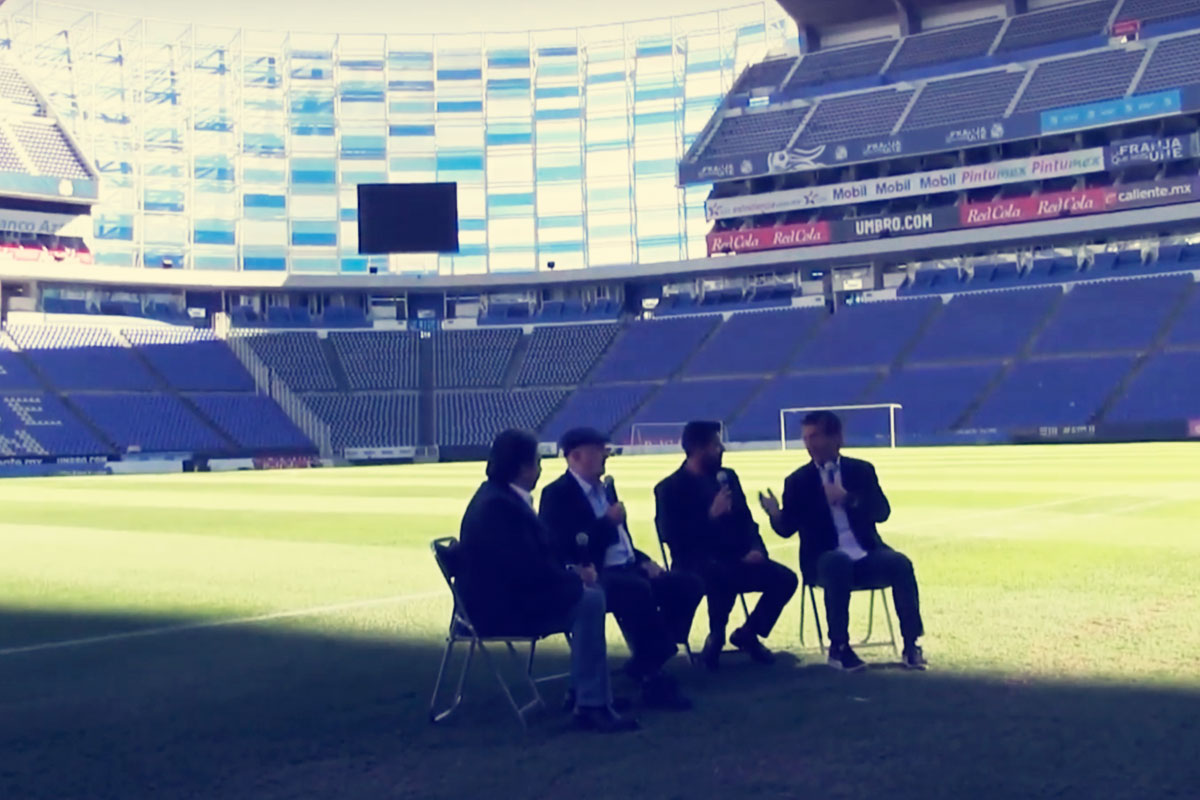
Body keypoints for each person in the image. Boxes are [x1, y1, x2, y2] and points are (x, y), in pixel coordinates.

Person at [457, 429, 637, 732]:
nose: (540, 468)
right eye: (537, 462)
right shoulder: (499, 507)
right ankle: (591, 703)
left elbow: (530, 563)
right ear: (522, 467)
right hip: (502, 609)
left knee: (589, 594)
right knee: (590, 598)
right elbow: (525, 570)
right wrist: (574, 578)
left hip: (505, 598)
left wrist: (571, 574)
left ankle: (588, 694)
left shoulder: (498, 498)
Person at [539, 427, 702, 710]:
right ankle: (653, 674)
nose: (606, 455)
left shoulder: (606, 490)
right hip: (593, 574)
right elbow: (564, 546)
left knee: (688, 584)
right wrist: (606, 524)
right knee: (635, 590)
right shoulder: (557, 494)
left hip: (627, 568)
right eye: (598, 450)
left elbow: (623, 542)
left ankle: (647, 659)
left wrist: (643, 560)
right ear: (575, 457)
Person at [759, 410, 927, 672]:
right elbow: (787, 529)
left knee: (900, 563)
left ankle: (911, 644)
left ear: (836, 437)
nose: (809, 444)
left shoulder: (861, 470)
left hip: (866, 554)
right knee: (837, 562)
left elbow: (882, 512)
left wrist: (848, 498)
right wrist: (775, 514)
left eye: (815, 436)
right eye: (806, 438)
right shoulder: (798, 481)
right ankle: (839, 647)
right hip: (822, 560)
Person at [654, 421, 798, 670]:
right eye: (715, 445)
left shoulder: (728, 478)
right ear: (697, 448)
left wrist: (757, 549)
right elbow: (672, 536)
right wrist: (710, 517)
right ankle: (716, 636)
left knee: (786, 579)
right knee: (719, 573)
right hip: (695, 563)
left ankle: (748, 633)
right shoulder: (670, 488)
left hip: (738, 558)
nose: (722, 449)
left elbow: (747, 522)